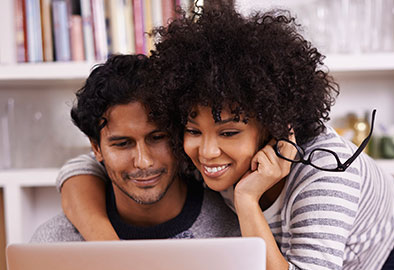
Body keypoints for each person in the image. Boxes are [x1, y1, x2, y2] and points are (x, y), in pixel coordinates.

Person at [57, 4, 394, 270]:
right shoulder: (191, 150)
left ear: (273, 126)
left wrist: (247, 200)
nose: (207, 152)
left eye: (229, 133)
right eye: (193, 130)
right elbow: (86, 166)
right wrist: (110, 251)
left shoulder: (323, 173)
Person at [31, 53, 240, 243]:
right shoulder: (55, 243)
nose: (143, 161)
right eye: (122, 144)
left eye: (157, 137)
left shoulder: (234, 228)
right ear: (96, 149)